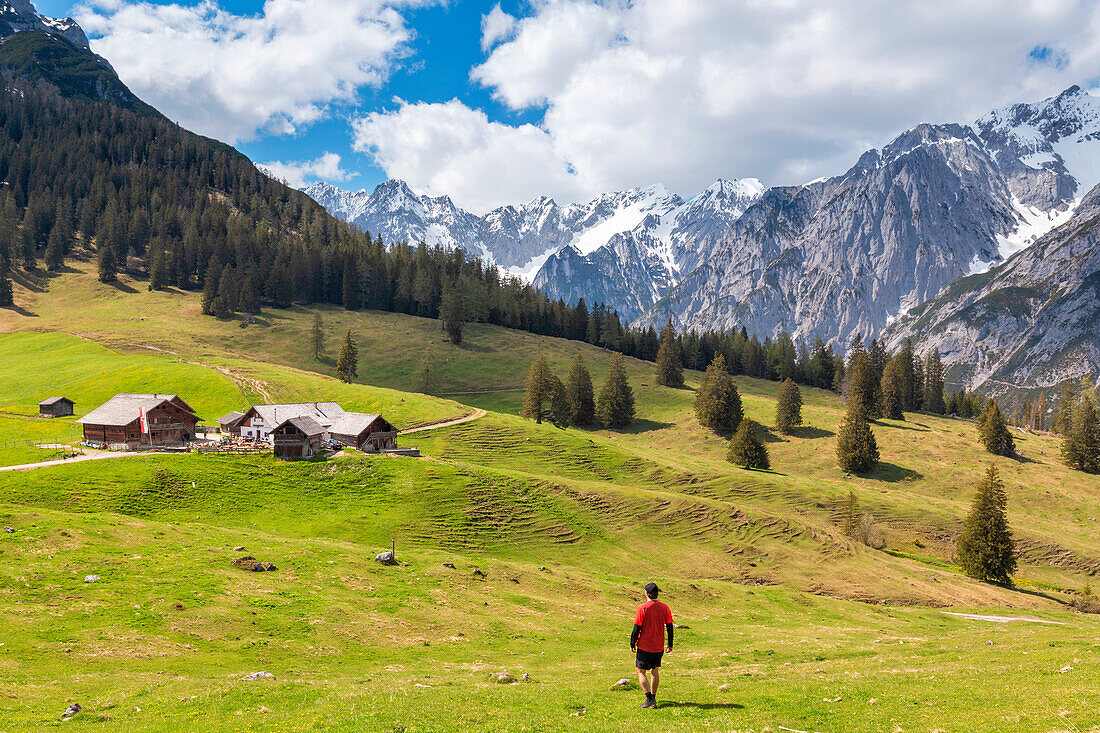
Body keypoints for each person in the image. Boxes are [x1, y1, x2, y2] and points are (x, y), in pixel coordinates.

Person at [629, 581, 674, 709]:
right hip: (658, 646)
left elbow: (636, 628)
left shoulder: (642, 608)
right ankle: (653, 697)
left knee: (640, 671)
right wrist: (670, 644)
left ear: (646, 593)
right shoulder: (665, 607)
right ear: (657, 594)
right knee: (655, 671)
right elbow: (670, 627)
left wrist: (632, 643)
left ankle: (649, 699)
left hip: (644, 645)